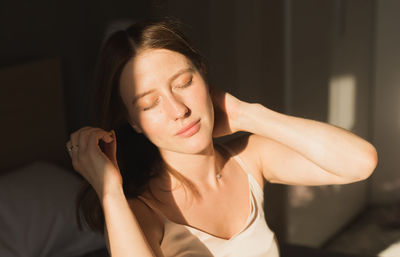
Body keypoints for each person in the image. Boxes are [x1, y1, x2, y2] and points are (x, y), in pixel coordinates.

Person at [66, 18, 378, 257]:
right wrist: (109, 191)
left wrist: (247, 114)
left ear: (203, 74)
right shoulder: (139, 213)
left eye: (184, 82)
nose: (178, 110)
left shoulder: (249, 158)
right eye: (149, 103)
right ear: (132, 121)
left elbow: (360, 162)